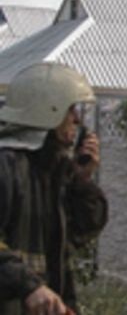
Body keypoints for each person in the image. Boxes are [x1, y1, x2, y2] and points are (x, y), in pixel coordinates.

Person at [0, 63, 108, 315]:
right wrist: (29, 287)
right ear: (48, 110)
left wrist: (83, 180)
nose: (77, 120)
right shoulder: (6, 166)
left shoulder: (57, 167)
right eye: (70, 109)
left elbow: (84, 230)